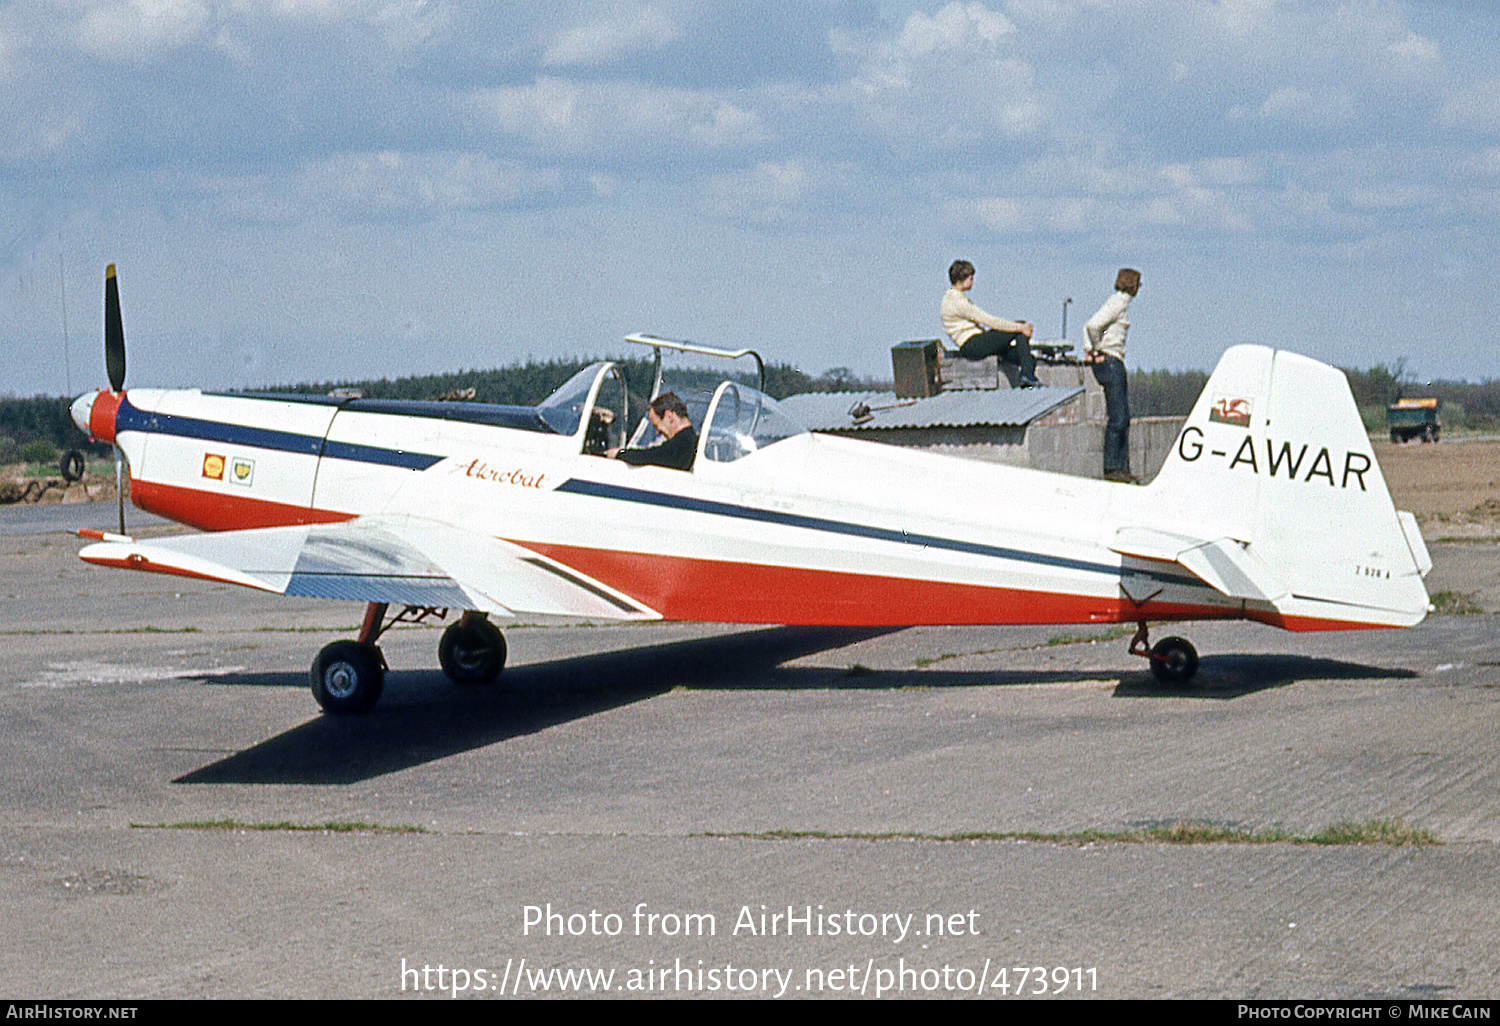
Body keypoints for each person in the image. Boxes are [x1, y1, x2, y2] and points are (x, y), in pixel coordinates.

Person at [940, 260, 1041, 388]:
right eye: (971, 279)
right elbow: (989, 320)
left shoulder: (950, 298)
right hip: (973, 343)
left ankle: (1027, 372)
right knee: (1020, 327)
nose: (973, 282)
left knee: (1027, 358)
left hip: (972, 344)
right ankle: (1027, 375)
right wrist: (1020, 327)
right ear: (963, 279)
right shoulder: (957, 301)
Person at [1084, 267, 1140, 483]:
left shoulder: (1115, 302)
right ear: (1134, 287)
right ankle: (1114, 468)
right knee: (1119, 417)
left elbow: (1088, 326)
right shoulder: (1119, 304)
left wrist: (1090, 349)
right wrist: (1098, 349)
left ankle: (1118, 468)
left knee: (1120, 417)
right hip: (1111, 361)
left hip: (1108, 359)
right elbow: (1092, 325)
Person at [615, 392, 698, 471]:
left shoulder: (684, 443)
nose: (657, 432)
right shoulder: (689, 441)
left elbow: (653, 456)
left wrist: (620, 453)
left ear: (669, 416)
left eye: (656, 426)